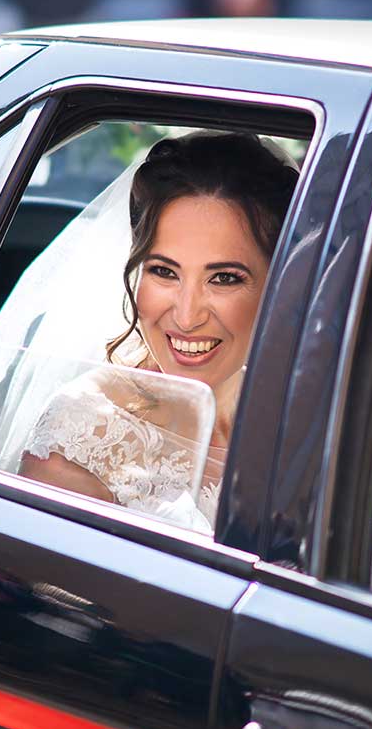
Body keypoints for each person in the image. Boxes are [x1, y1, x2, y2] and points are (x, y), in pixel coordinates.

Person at [16, 133, 299, 527]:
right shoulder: (82, 436)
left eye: (224, 278)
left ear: (278, 283)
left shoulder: (301, 416)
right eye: (164, 271)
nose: (186, 317)